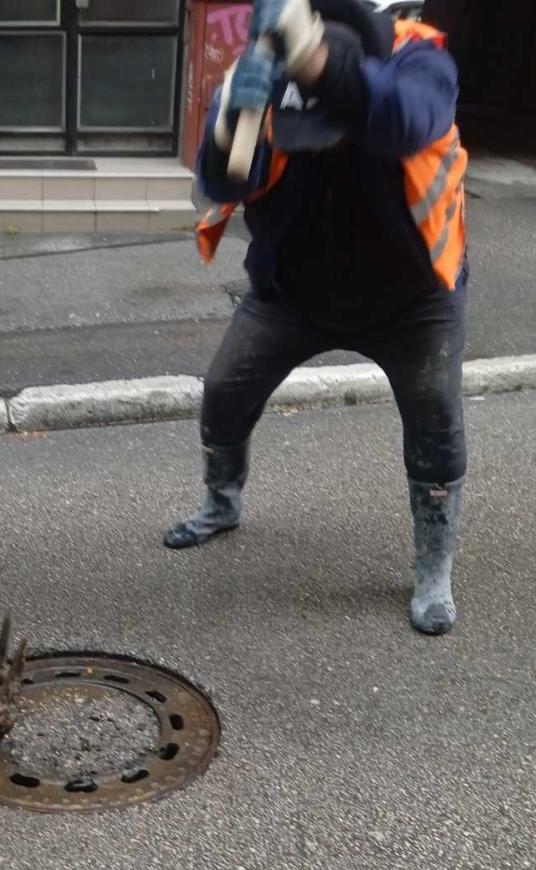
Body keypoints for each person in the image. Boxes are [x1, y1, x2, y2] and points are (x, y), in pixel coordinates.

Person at [166, 0, 469, 635]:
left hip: (410, 299)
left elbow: (403, 120)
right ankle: (221, 502)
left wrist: (316, 64)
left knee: (436, 416)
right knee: (224, 390)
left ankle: (434, 564)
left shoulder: (421, 62)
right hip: (295, 292)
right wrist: (230, 126)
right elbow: (226, 183)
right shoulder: (262, 73)